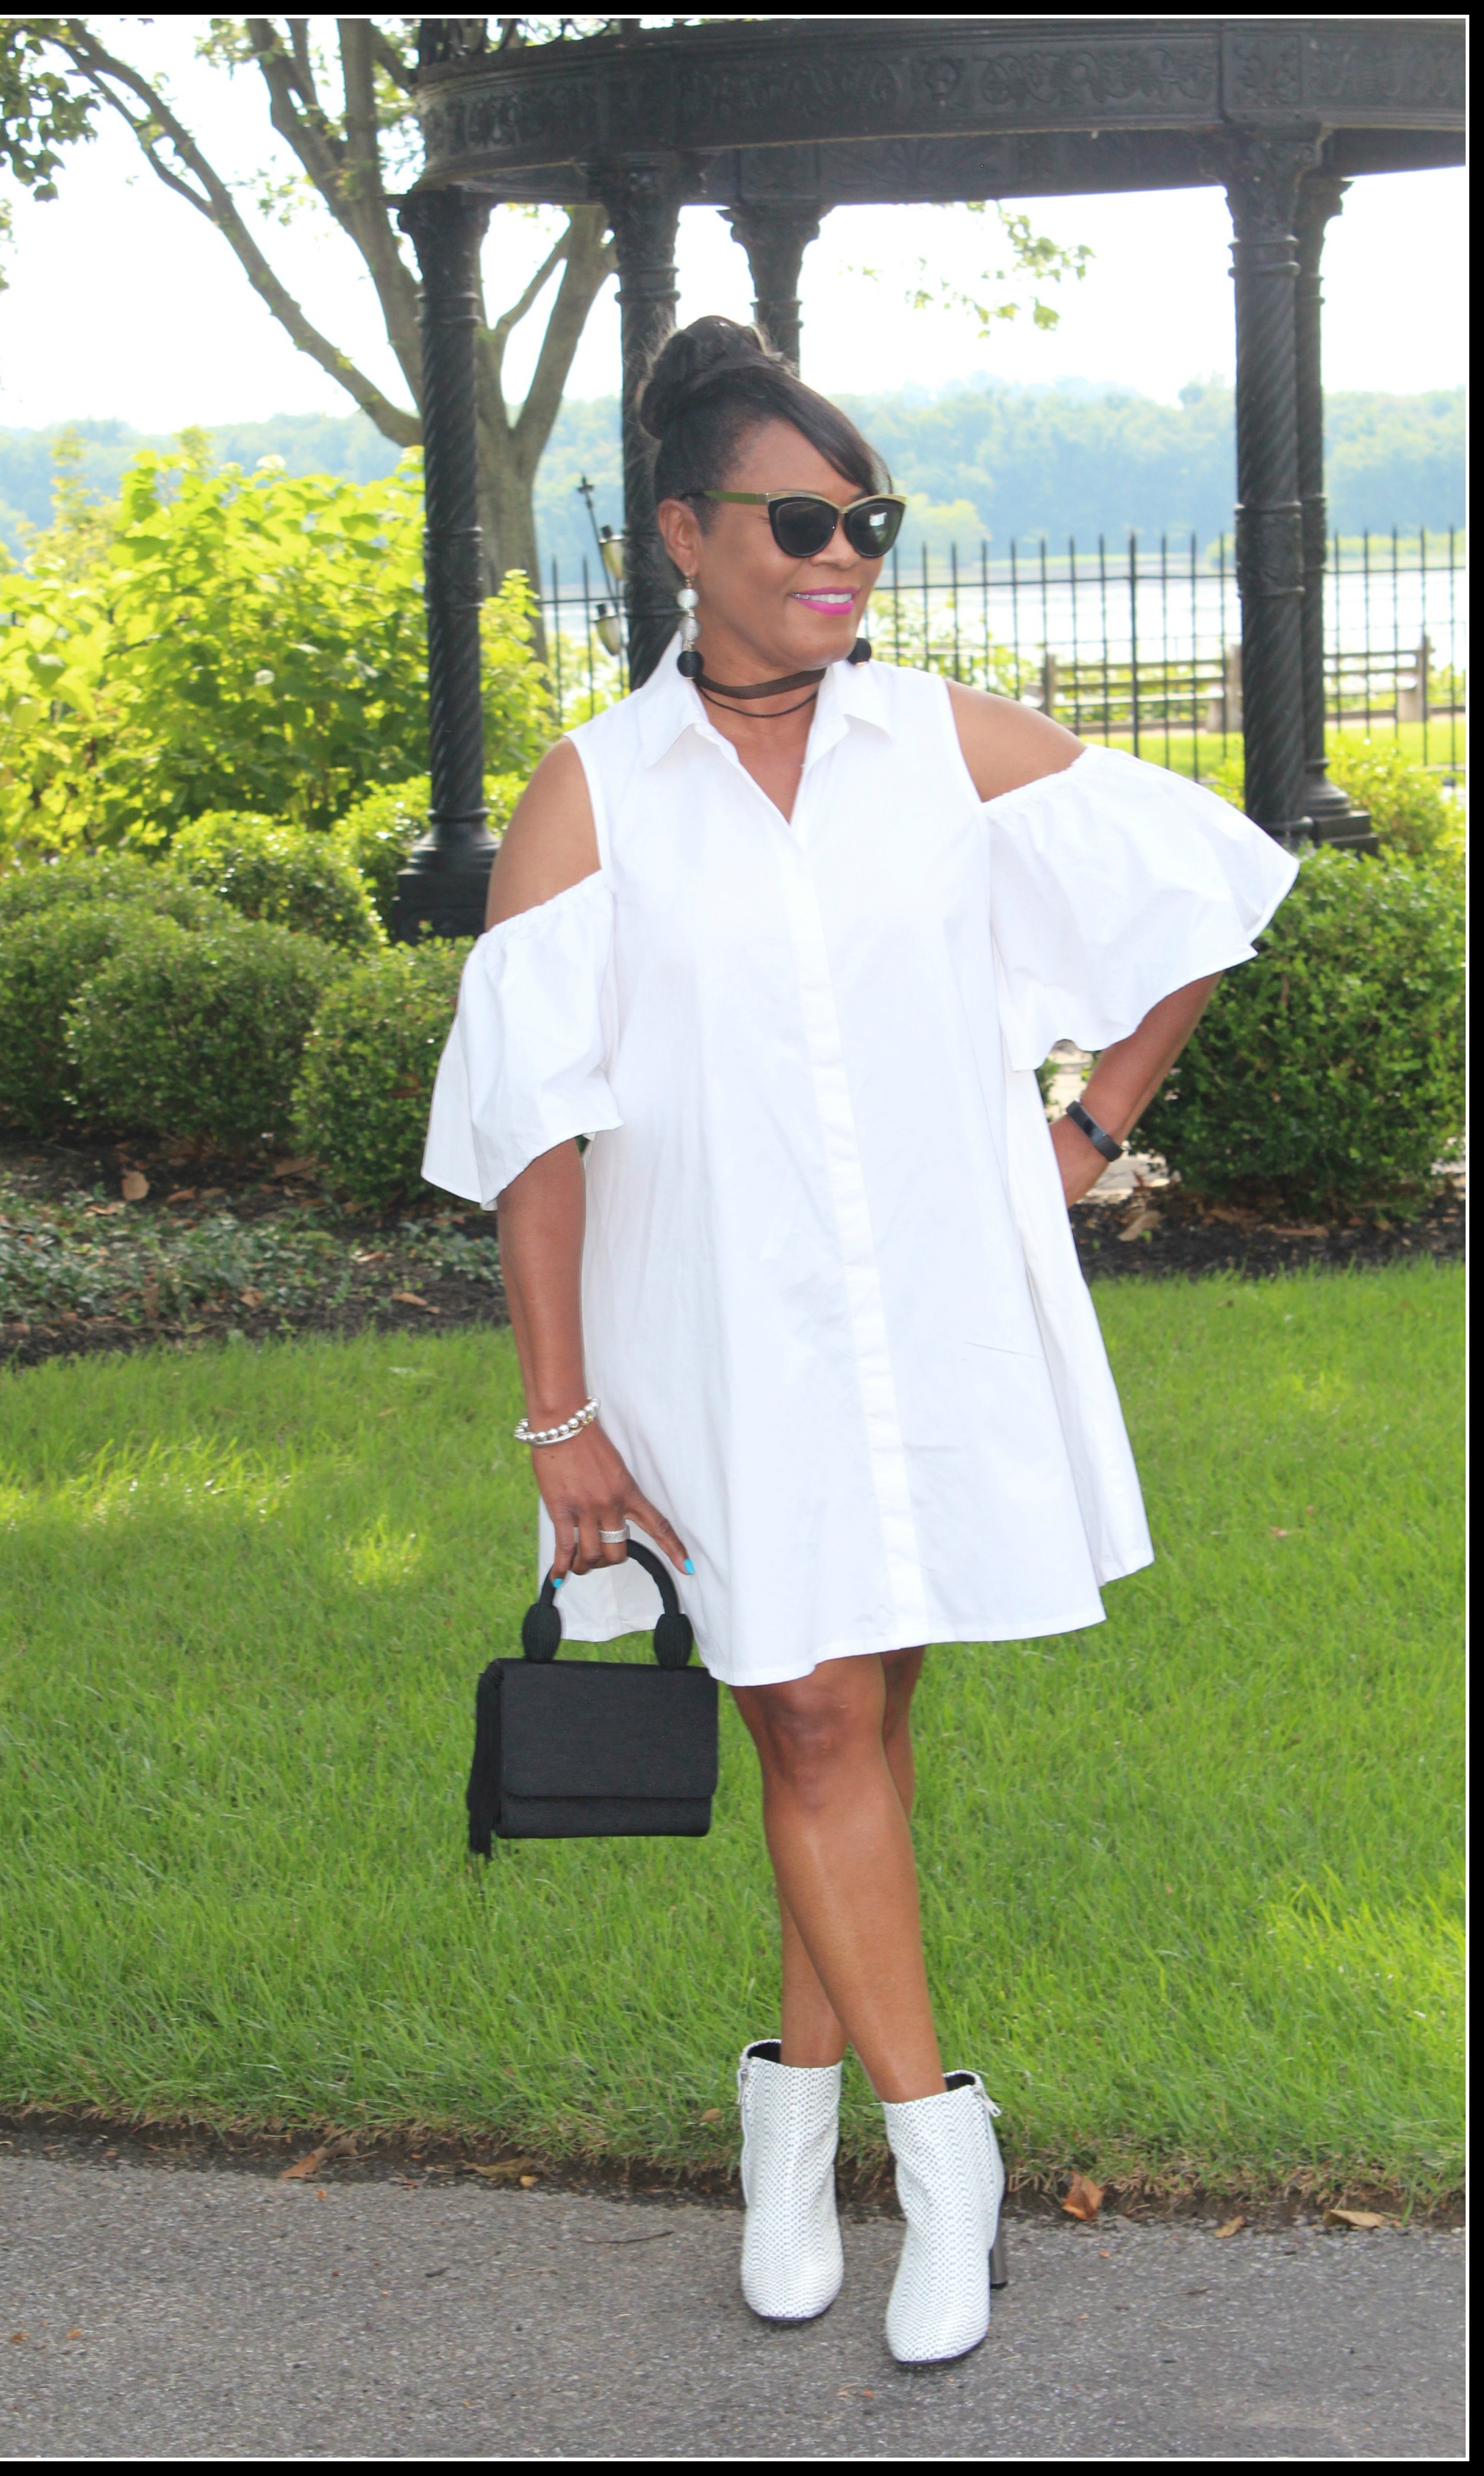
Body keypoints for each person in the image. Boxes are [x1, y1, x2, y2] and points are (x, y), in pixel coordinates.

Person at [422, 315, 1297, 2366]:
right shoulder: (592, 796)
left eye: (869, 523)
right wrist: (557, 1419)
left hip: (930, 1317)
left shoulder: (942, 745)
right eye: (805, 520)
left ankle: (789, 2141)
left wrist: (1086, 1131)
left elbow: (1207, 897)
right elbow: (536, 1133)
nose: (845, 558)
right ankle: (946, 2151)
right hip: (703, 1336)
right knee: (806, 1718)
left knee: (861, 1728)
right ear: (684, 538)